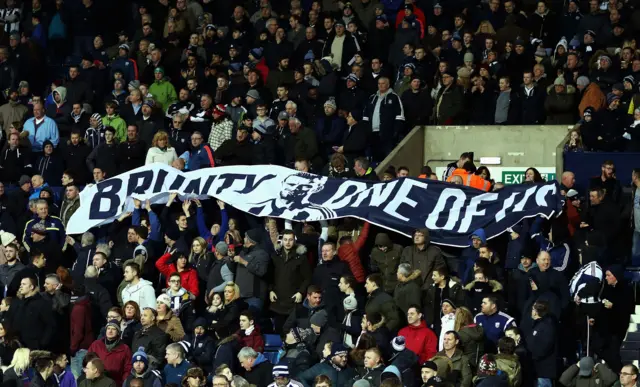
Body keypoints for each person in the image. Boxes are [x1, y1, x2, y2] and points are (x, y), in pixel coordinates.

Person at [87, 320, 133, 387]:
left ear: (118, 332)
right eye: (108, 328)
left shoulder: (125, 349)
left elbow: (128, 369)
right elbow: (88, 361)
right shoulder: (96, 345)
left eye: (113, 329)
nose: (110, 331)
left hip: (115, 383)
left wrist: (122, 382)